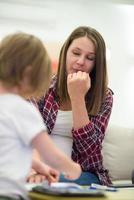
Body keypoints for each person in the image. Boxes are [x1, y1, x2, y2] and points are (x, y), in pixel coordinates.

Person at [0, 32, 81, 200]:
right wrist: (73, 168)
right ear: (28, 75)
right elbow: (51, 155)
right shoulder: (22, 109)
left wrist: (38, 165)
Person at [29, 26, 114, 186]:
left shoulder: (104, 97)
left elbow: (89, 153)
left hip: (82, 173)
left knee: (52, 180)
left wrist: (77, 97)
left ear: (97, 64)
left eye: (90, 58)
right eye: (76, 53)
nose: (80, 62)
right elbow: (30, 135)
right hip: (38, 166)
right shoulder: (41, 86)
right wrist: (37, 169)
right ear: (65, 52)